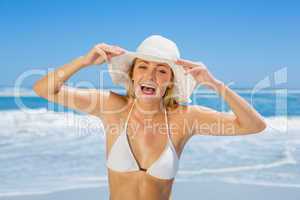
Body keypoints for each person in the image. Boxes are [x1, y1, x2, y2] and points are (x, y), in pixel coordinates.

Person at [33, 35, 266, 200]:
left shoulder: (185, 118)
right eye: (143, 67)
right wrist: (83, 61)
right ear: (132, 74)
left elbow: (254, 125)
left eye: (162, 70)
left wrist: (215, 84)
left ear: (170, 82)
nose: (151, 75)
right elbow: (44, 89)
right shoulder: (111, 107)